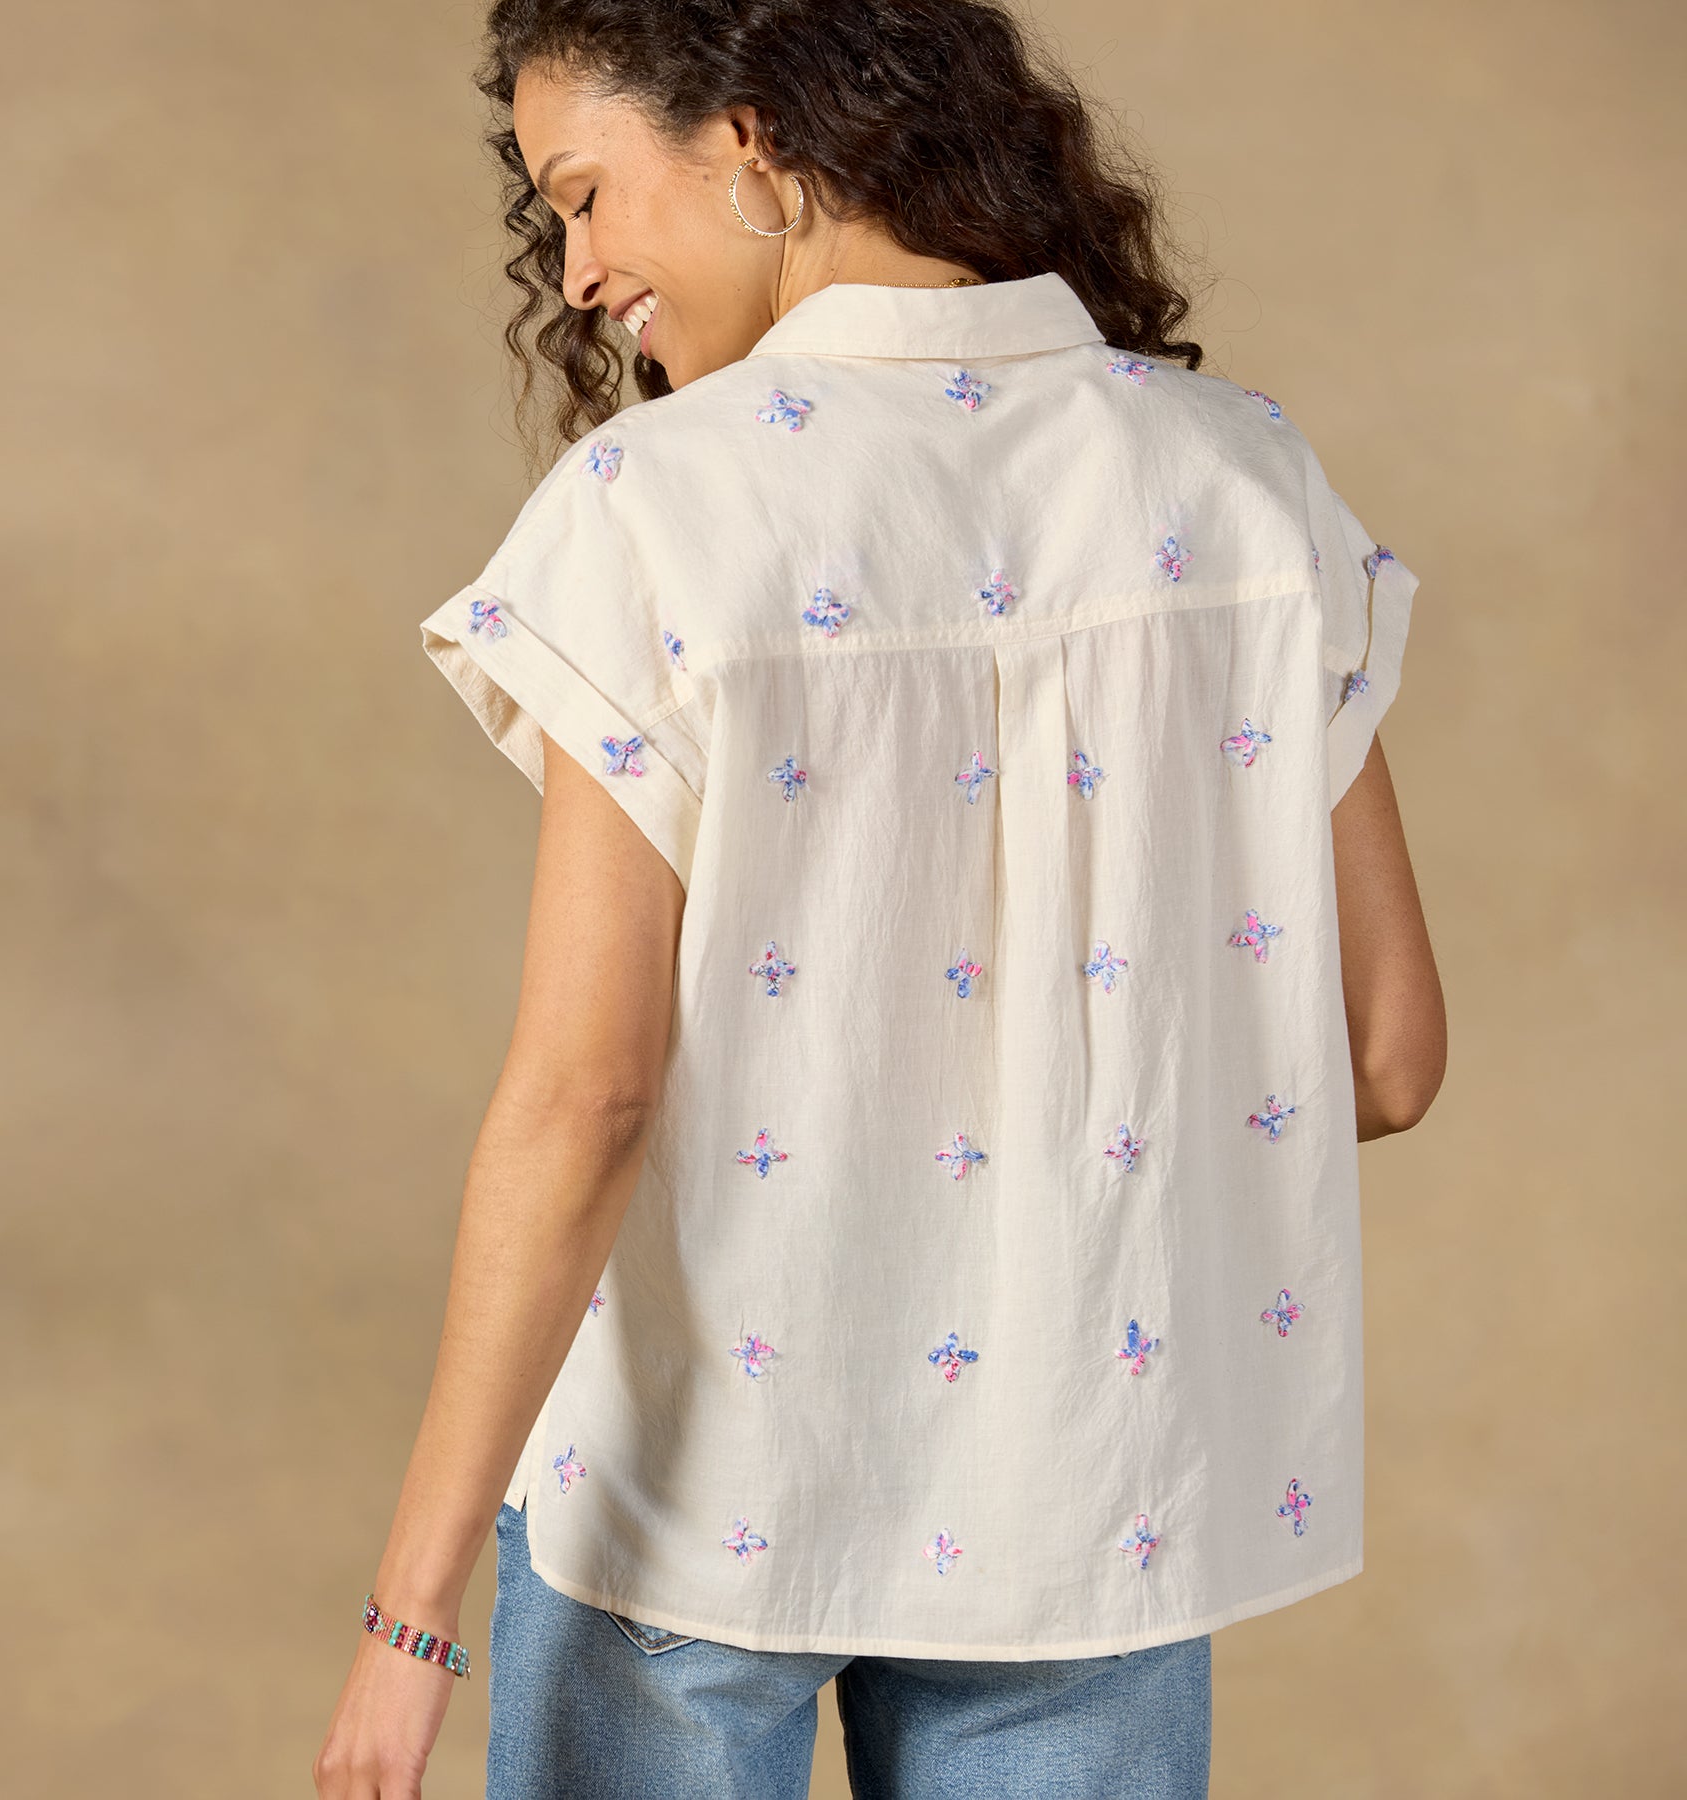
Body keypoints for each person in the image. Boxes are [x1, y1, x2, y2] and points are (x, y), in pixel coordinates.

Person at [313, 2, 1447, 1795]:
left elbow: (590, 1094)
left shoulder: (656, 510)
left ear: (752, 140)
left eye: (587, 194)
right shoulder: (1241, 482)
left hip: (697, 1503)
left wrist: (410, 1613)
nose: (578, 267)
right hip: (1090, 1502)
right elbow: (1384, 1056)